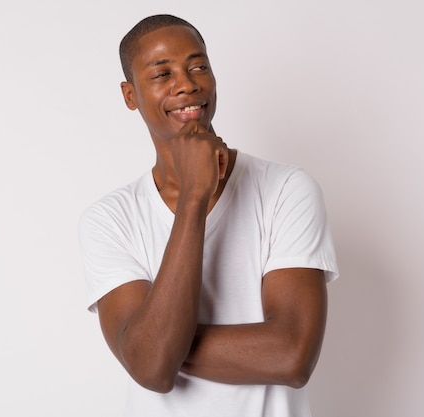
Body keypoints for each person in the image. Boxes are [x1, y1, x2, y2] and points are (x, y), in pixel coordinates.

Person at [78, 14, 339, 417]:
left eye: (198, 66)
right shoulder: (110, 219)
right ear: (130, 95)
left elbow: (292, 356)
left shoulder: (287, 190)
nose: (187, 83)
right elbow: (151, 370)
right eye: (162, 73)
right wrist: (194, 198)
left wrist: (161, 344)